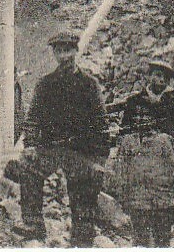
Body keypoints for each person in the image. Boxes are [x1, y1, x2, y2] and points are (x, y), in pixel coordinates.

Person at [13, 31, 111, 246]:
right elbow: (32, 120)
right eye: (59, 51)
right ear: (54, 54)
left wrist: (100, 158)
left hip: (80, 151)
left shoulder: (89, 84)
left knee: (83, 195)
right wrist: (30, 146)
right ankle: (33, 224)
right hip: (52, 149)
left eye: (68, 50)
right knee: (27, 166)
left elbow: (101, 123)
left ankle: (82, 236)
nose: (64, 56)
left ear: (76, 51)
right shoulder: (45, 84)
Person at [114, 59, 174, 247]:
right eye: (157, 76)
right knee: (140, 227)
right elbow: (124, 132)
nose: (160, 81)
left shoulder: (172, 104)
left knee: (162, 230)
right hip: (139, 172)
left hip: (162, 172)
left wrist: (164, 136)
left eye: (165, 79)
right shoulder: (134, 102)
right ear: (149, 77)